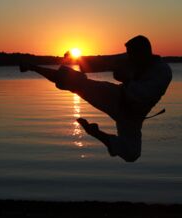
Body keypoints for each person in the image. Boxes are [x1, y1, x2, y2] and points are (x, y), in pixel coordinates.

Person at [20, 35, 172, 162]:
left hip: (133, 115)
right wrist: (78, 58)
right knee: (75, 82)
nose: (128, 57)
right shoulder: (132, 58)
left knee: (132, 154)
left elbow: (141, 94)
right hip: (115, 98)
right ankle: (34, 67)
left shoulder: (162, 71)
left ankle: (95, 132)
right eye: (128, 54)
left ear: (143, 52)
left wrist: (126, 77)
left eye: (131, 54)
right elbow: (105, 61)